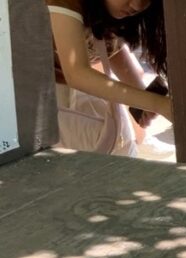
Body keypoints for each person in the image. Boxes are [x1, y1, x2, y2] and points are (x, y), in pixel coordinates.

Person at [48, 0, 172, 156]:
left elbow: (108, 49)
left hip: (65, 89)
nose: (137, 6)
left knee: (121, 143)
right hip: (40, 93)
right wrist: (157, 104)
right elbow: (77, 74)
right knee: (115, 147)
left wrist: (143, 99)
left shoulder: (108, 10)